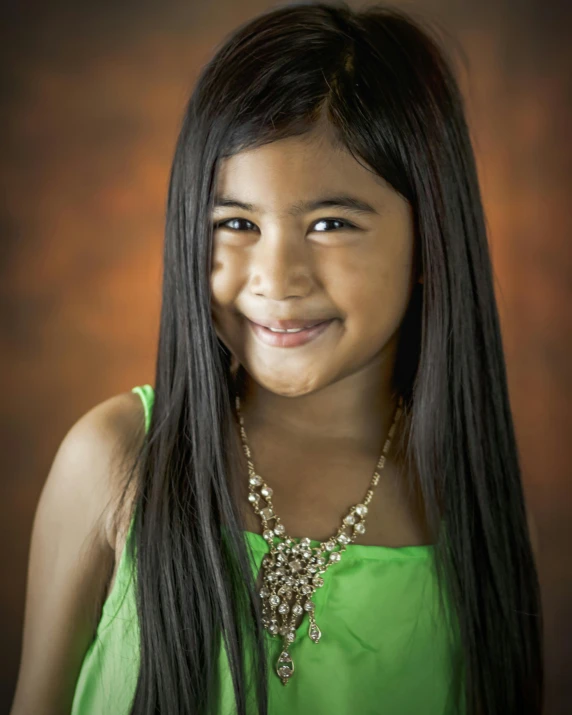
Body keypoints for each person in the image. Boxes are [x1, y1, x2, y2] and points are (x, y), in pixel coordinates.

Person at [11, 2, 544, 714]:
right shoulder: (112, 461)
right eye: (236, 222)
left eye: (330, 223)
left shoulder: (475, 509)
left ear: (430, 239)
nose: (276, 276)